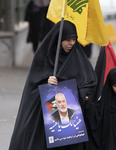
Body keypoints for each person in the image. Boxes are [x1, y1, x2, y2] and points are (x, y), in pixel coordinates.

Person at [8, 20, 97, 150]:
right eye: (68, 40)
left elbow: (90, 81)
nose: (71, 43)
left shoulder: (78, 56)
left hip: (72, 122)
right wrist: (46, 81)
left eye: (74, 39)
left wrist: (82, 93)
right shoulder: (44, 56)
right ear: (58, 38)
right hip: (45, 119)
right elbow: (32, 84)